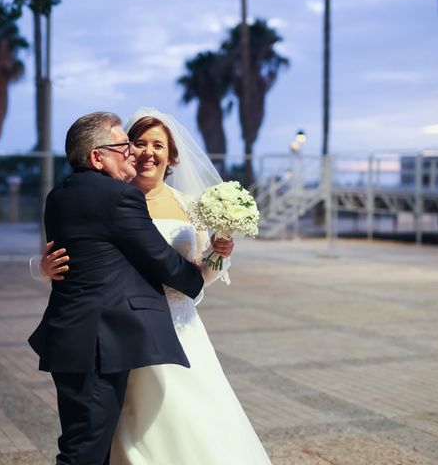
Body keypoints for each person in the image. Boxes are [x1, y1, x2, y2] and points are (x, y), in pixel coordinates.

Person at [34, 108, 272, 464]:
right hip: (123, 333)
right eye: (135, 143)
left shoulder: (189, 207)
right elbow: (79, 253)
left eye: (157, 145)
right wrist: (41, 268)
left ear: (171, 155)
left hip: (173, 324)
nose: (144, 151)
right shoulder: (117, 195)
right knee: (107, 434)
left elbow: (201, 273)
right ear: (113, 152)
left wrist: (217, 255)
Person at [28, 111, 205, 465]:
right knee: (84, 452)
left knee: (90, 442)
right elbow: (159, 258)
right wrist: (195, 276)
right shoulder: (118, 198)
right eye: (124, 145)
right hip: (99, 344)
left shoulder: (59, 195)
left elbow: (90, 258)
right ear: (97, 157)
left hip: (72, 338)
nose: (133, 153)